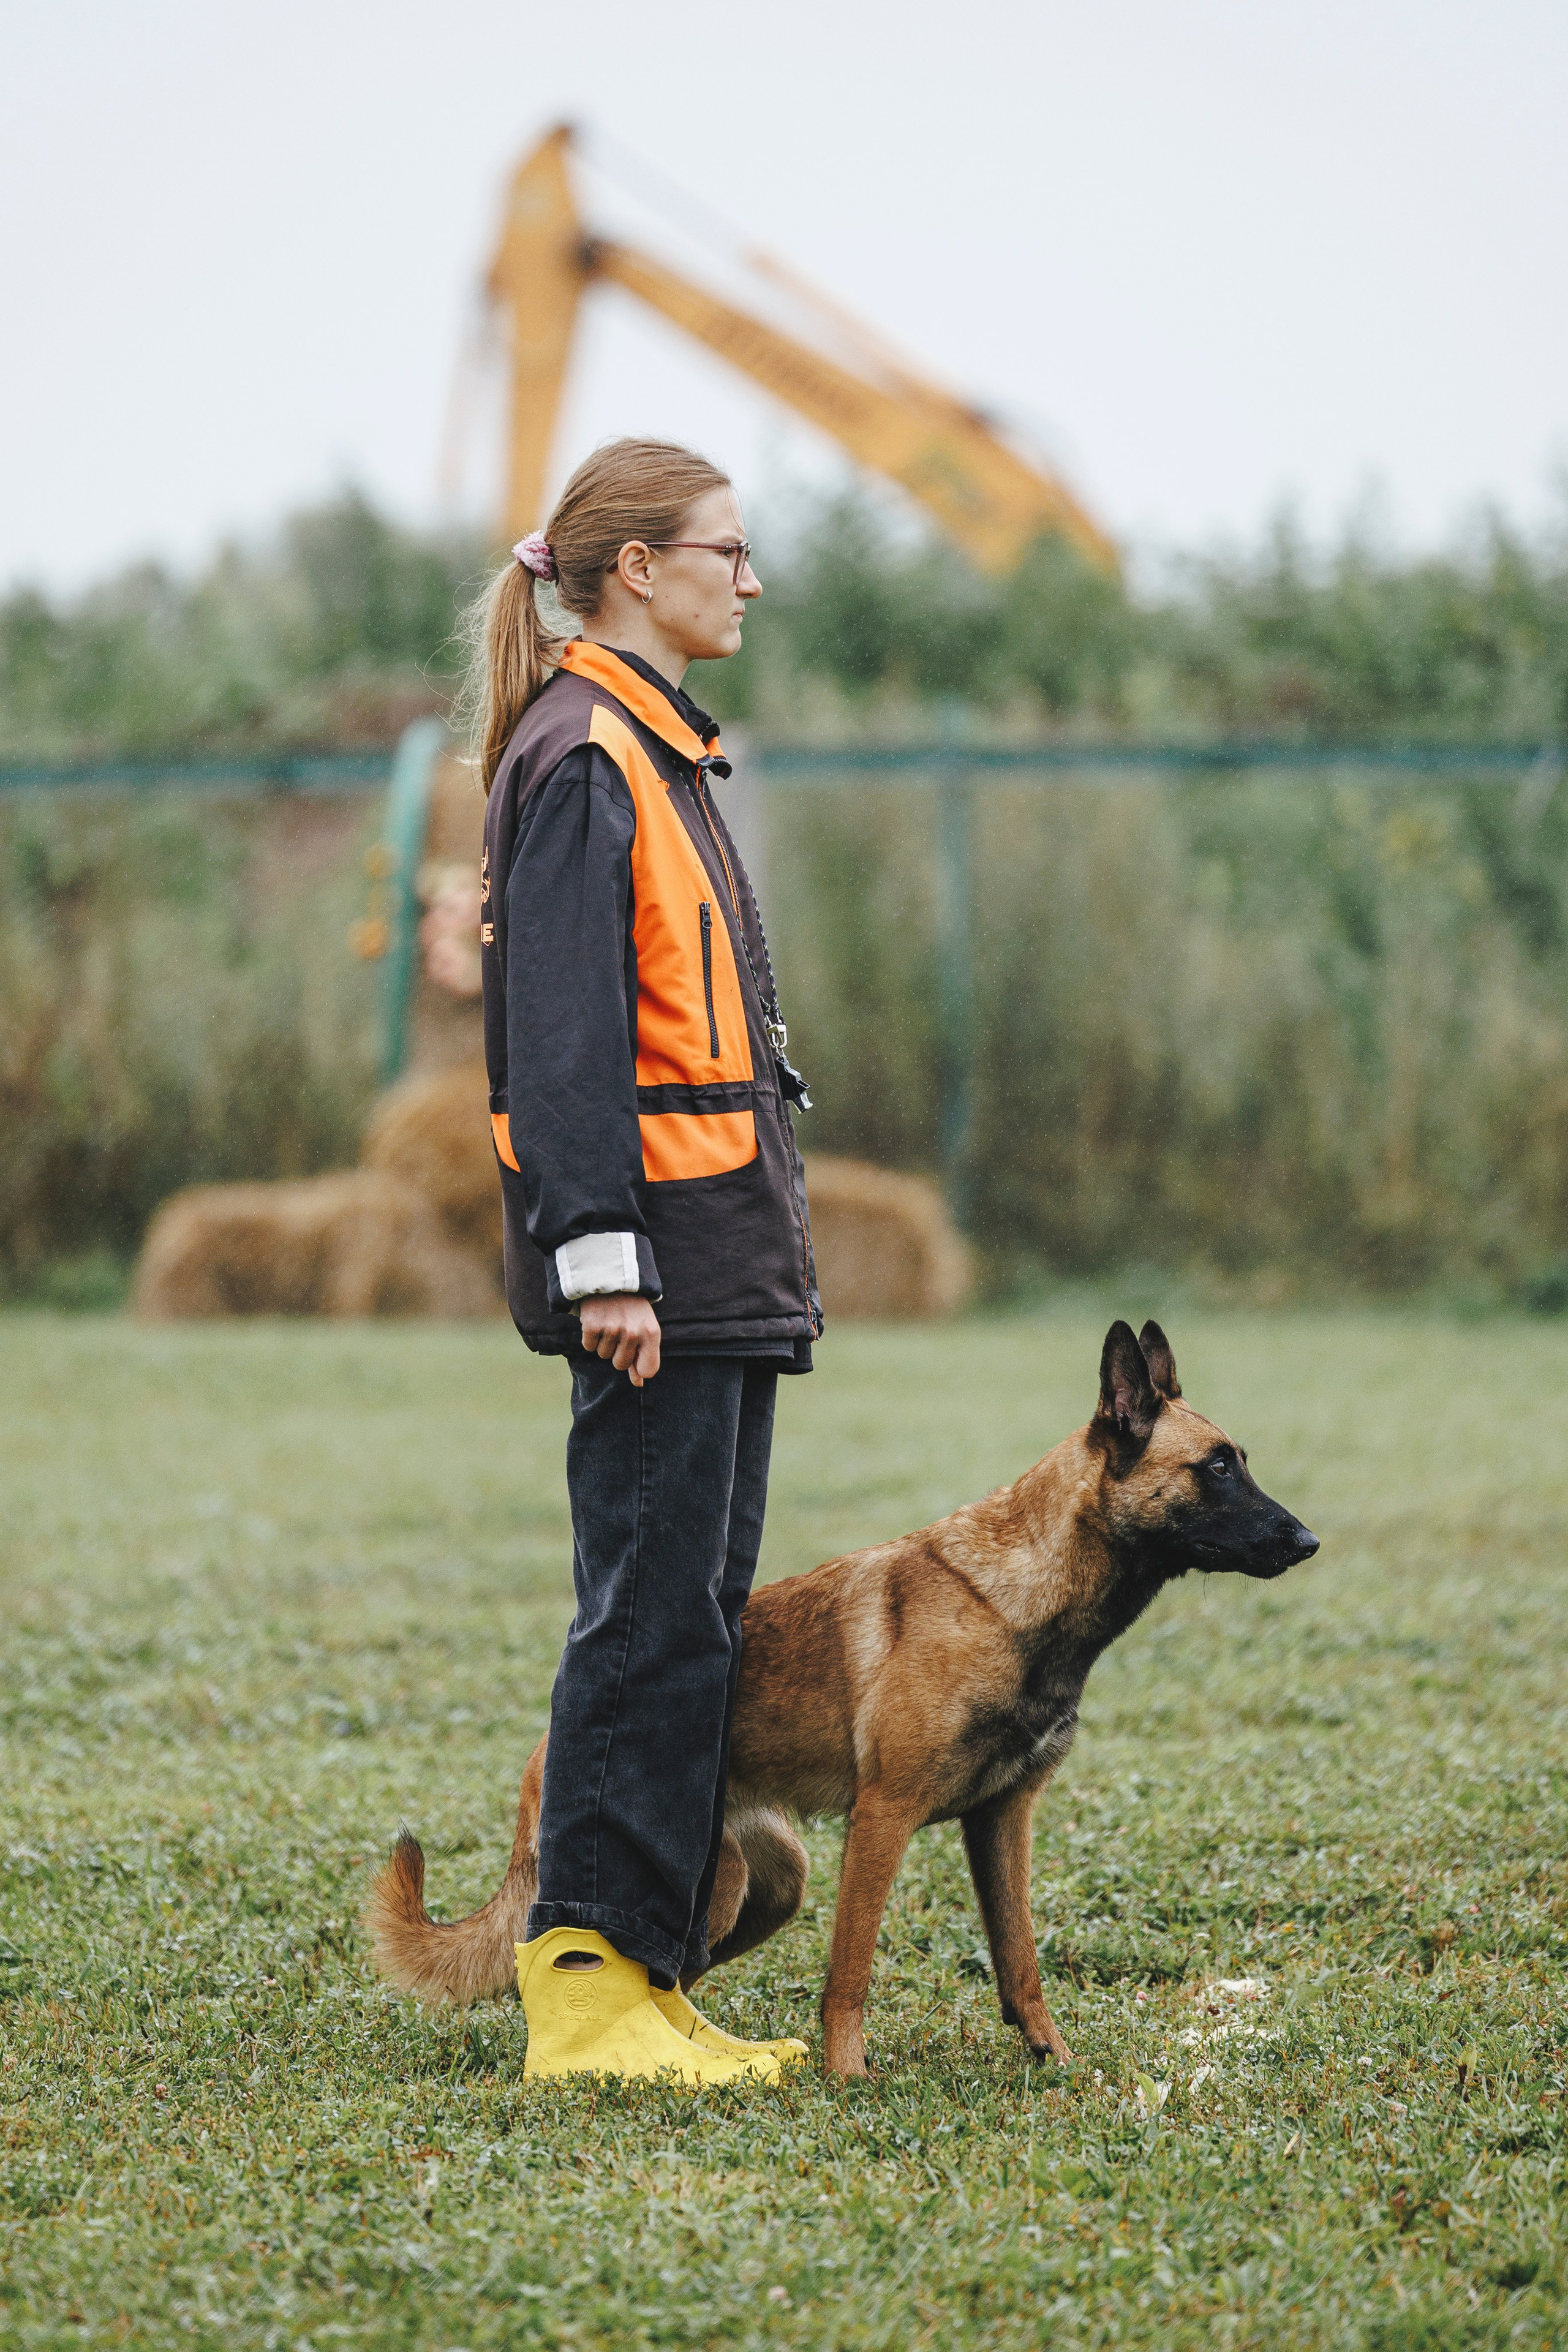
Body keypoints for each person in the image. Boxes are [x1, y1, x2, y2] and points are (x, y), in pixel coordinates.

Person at [470, 438, 821, 2084]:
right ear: (634, 571)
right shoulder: (587, 751)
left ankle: (649, 1978)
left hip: (714, 1261)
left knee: (691, 1617)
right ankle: (592, 1999)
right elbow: (563, 1040)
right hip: (657, 1275)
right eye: (724, 550)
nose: (747, 578)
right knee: (645, 1620)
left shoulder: (656, 745)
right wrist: (604, 1255)